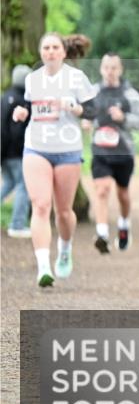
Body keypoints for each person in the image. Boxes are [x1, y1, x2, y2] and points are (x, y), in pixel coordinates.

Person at [11, 33, 97, 286]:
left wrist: (72, 106)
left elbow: (92, 109)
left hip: (67, 149)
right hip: (36, 147)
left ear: (63, 52)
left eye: (54, 47)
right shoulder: (32, 80)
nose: (50, 51)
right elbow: (30, 112)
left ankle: (65, 247)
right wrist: (22, 112)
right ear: (41, 53)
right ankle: (43, 267)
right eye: (45, 47)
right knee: (40, 206)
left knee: (64, 212)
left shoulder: (76, 78)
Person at [87, 53, 139, 253]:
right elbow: (84, 112)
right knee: (102, 189)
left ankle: (124, 224)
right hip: (100, 150)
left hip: (123, 152)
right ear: (101, 69)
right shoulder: (93, 92)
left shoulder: (130, 94)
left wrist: (124, 118)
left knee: (122, 193)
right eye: (106, 67)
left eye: (114, 68)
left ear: (120, 70)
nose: (110, 72)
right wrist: (87, 120)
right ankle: (102, 233)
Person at [2, 65, 33, 237]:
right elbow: (16, 132)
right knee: (23, 185)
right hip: (16, 153)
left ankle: (17, 223)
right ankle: (17, 225)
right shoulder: (22, 100)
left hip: (4, 153)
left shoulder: (4, 96)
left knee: (9, 184)